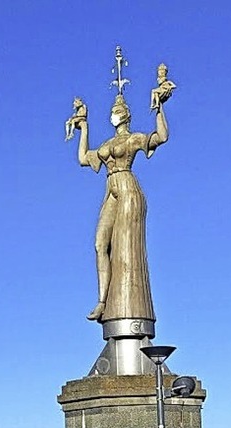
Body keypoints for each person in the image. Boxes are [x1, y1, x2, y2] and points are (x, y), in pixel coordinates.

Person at [72, 92, 170, 323]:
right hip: (111, 189)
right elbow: (84, 158)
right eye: (111, 113)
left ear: (125, 116)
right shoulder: (107, 144)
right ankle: (102, 301)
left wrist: (159, 108)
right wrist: (84, 127)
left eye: (116, 113)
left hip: (127, 187)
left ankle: (128, 303)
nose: (112, 116)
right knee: (99, 244)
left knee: (125, 246)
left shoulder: (133, 139)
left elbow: (161, 137)